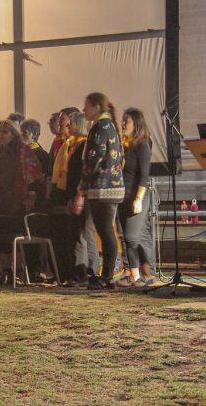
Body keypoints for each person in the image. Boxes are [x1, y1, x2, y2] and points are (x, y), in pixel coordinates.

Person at [0, 120, 44, 284]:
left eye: (5, 132)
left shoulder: (23, 151)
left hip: (16, 203)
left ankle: (17, 271)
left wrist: (31, 196)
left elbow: (34, 174)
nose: (1, 135)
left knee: (13, 237)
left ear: (14, 134)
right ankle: (6, 271)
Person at [79, 93, 125, 289]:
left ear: (97, 107)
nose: (84, 110)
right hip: (111, 187)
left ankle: (106, 276)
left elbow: (93, 159)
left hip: (101, 187)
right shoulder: (110, 127)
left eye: (86, 106)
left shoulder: (99, 127)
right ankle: (107, 275)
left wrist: (82, 185)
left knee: (105, 232)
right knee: (107, 232)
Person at [115, 108, 154, 287]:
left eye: (127, 121)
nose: (123, 124)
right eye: (123, 120)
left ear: (136, 124)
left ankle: (140, 275)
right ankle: (133, 276)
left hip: (137, 196)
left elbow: (144, 176)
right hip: (123, 196)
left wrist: (138, 199)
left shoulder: (142, 145)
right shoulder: (125, 146)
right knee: (125, 237)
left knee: (131, 237)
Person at [64, 112, 100, 282]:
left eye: (70, 123)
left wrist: (80, 195)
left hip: (85, 195)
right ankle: (83, 271)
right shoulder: (74, 146)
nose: (67, 126)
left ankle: (89, 270)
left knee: (85, 233)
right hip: (77, 193)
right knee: (81, 232)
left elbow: (84, 173)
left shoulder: (85, 145)